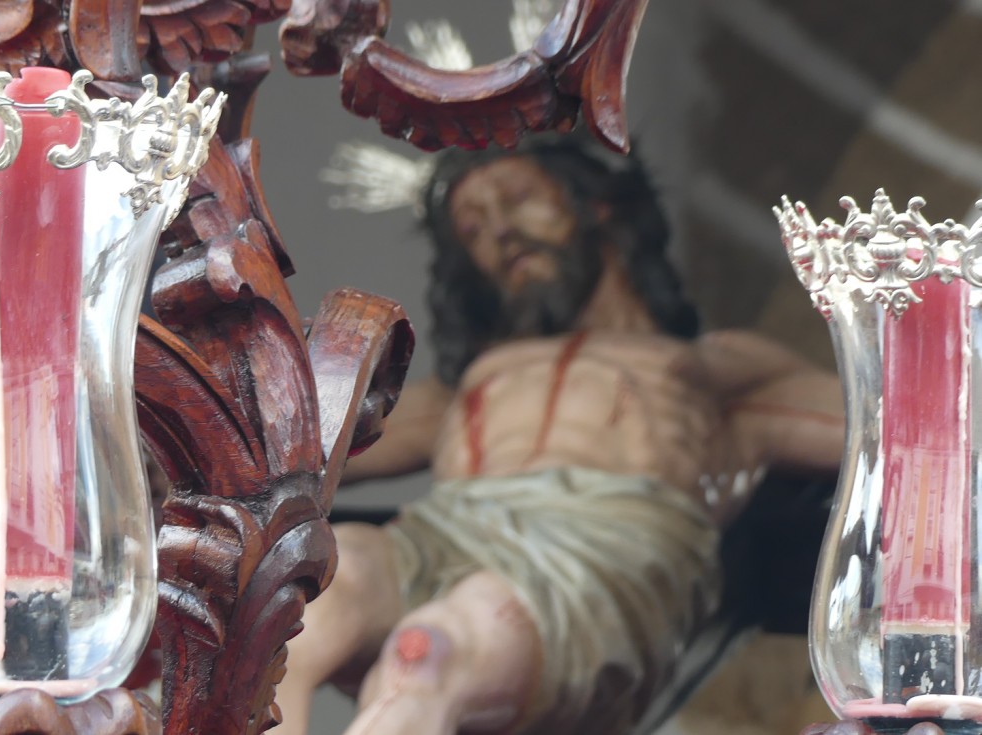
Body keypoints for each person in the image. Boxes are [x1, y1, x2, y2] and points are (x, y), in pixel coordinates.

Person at [270, 135, 844, 735]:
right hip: (444, 532)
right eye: (473, 229)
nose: (500, 231)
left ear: (596, 204)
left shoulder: (706, 371)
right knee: (311, 588)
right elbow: (292, 452)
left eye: (520, 198)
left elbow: (881, 426)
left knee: (433, 650)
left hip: (590, 552)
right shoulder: (469, 386)